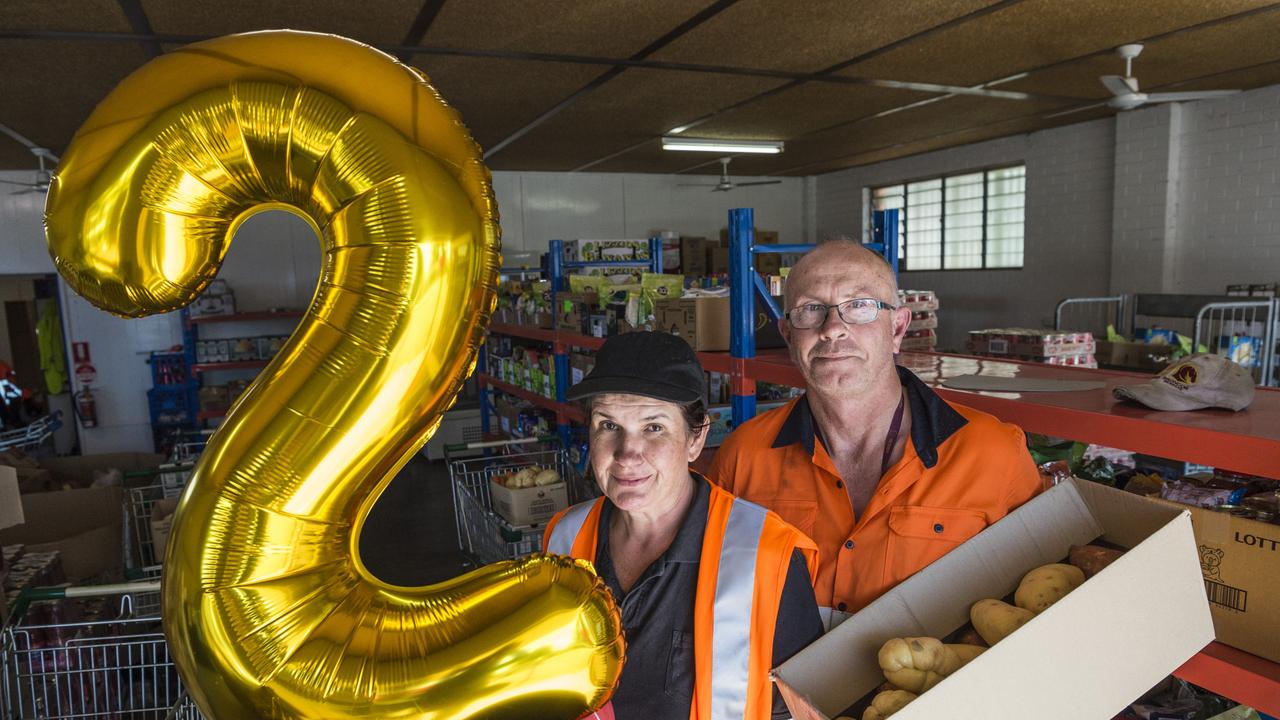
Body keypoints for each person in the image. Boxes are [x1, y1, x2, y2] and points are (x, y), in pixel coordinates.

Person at [709, 240, 1042, 628]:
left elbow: (1040, 607)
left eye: (860, 306)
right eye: (811, 309)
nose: (833, 329)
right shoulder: (742, 458)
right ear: (788, 335)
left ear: (898, 327)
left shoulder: (993, 453)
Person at [544, 331, 823, 720]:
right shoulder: (563, 537)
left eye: (654, 427)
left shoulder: (767, 556)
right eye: (609, 425)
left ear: (696, 439)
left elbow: (799, 711)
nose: (627, 454)